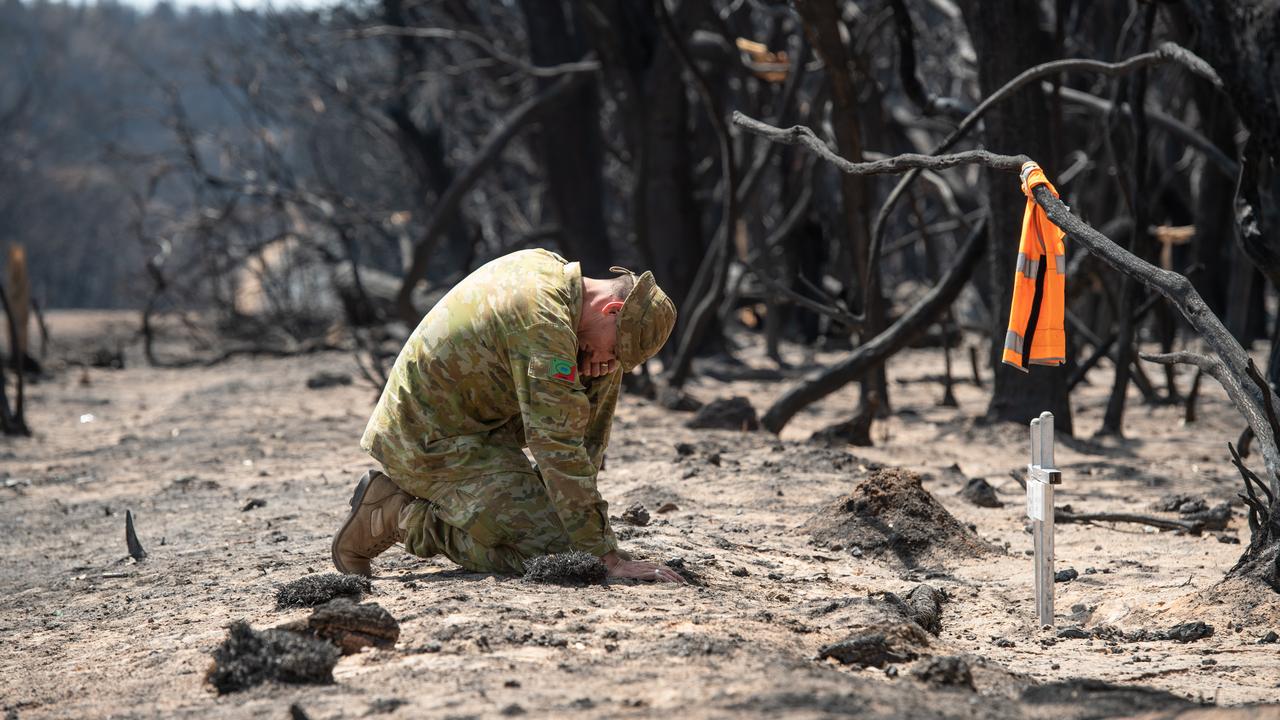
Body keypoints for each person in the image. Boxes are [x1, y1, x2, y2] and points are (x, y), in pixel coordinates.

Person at [331, 248, 684, 583]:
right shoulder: (542, 319)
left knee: (573, 543)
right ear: (612, 309)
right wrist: (600, 557)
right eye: (615, 350)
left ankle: (497, 514)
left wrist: (594, 540)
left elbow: (589, 437)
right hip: (425, 437)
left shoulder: (564, 291)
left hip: (478, 428)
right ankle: (401, 516)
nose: (609, 364)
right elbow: (556, 443)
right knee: (558, 556)